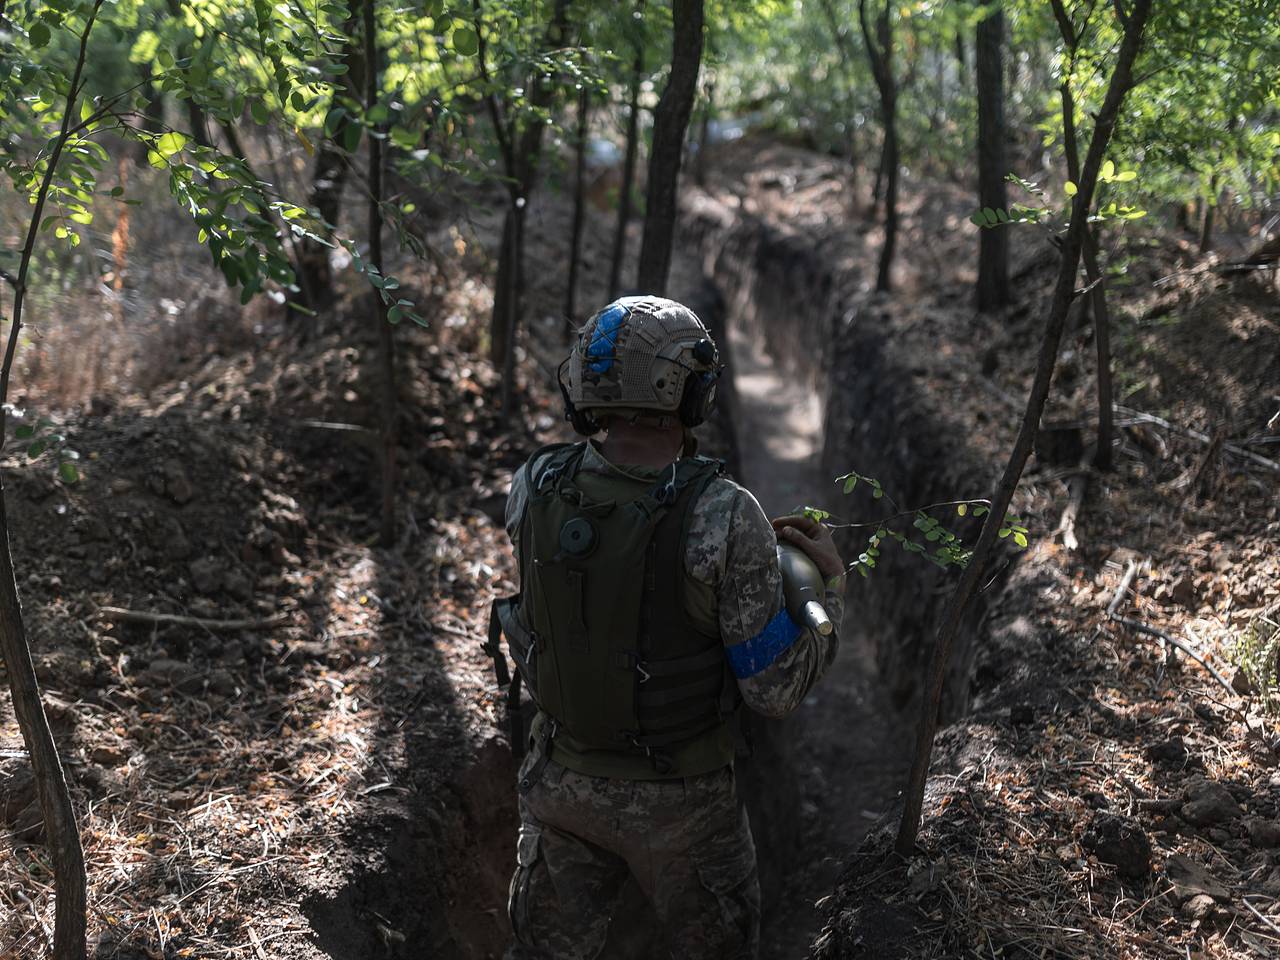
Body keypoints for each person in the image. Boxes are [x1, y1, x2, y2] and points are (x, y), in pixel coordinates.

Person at [490, 295, 845, 959]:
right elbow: (773, 691)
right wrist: (830, 590)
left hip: (559, 787)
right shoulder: (726, 514)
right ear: (691, 394)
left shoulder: (533, 484)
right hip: (686, 809)